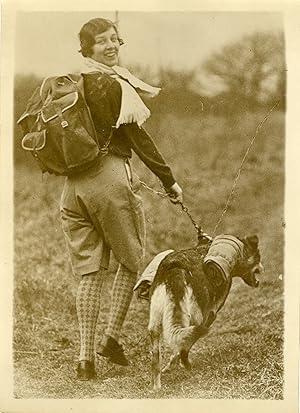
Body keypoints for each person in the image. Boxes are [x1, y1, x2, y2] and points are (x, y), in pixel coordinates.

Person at [60, 17, 183, 381]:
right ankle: (111, 338)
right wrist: (169, 181)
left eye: (115, 39)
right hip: (109, 179)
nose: (111, 46)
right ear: (88, 48)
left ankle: (85, 362)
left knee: (91, 271)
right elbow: (138, 139)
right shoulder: (113, 83)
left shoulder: (72, 82)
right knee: (131, 259)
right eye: (102, 42)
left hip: (72, 189)